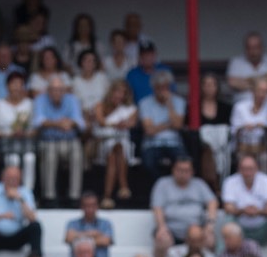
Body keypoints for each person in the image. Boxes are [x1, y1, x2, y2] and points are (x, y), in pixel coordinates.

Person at [150, 157, 217, 257]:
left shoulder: (199, 184)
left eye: (186, 170)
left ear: (192, 172)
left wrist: (210, 225)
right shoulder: (162, 184)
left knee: (209, 240)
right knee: (162, 240)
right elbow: (157, 207)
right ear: (173, 170)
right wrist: (161, 227)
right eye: (180, 170)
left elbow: (212, 202)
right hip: (171, 228)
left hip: (195, 228)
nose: (183, 173)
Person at [32, 74, 85, 203]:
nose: (57, 92)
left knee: (77, 152)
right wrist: (58, 124)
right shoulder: (40, 99)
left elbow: (81, 123)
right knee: (50, 154)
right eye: (54, 89)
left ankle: (75, 196)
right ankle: (49, 196)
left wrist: (70, 123)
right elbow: (37, 122)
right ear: (48, 90)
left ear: (65, 90)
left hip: (69, 140)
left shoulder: (72, 99)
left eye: (60, 89)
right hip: (48, 141)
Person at [220, 154, 267, 256]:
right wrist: (243, 210)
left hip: (262, 231)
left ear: (257, 169)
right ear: (238, 169)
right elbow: (228, 207)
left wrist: (258, 211)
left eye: (250, 169)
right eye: (244, 169)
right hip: (239, 231)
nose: (247, 173)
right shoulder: (230, 181)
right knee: (228, 219)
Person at [0, 164, 42, 256]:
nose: (12, 181)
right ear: (3, 178)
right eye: (9, 178)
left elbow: (32, 218)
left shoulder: (25, 192)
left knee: (35, 227)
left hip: (16, 238)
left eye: (16, 178)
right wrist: (2, 216)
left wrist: (20, 199)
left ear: (20, 179)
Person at [93, 79, 137, 207]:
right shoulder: (99, 105)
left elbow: (132, 123)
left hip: (123, 143)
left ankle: (107, 196)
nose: (119, 95)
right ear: (111, 92)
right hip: (102, 142)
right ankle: (123, 187)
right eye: (117, 91)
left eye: (123, 93)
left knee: (117, 149)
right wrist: (116, 124)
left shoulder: (131, 109)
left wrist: (124, 124)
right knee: (115, 148)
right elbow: (101, 121)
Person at [138, 71, 186, 180]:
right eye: (160, 87)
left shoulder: (179, 101)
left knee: (184, 163)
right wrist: (168, 124)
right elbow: (149, 130)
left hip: (174, 143)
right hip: (152, 144)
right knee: (148, 164)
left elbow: (178, 125)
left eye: (166, 87)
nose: (163, 91)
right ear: (154, 88)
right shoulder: (144, 103)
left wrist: (170, 104)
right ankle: (160, 185)